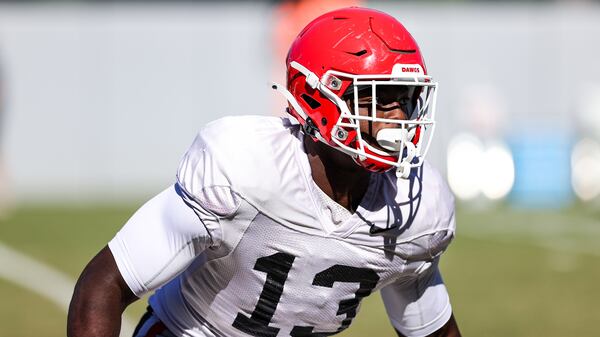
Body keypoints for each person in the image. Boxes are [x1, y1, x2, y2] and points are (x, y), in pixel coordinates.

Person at [68, 7, 461, 337]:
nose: (397, 117)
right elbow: (104, 286)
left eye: (404, 98)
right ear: (314, 98)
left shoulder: (417, 207)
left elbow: (431, 328)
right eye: (374, 97)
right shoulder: (245, 168)